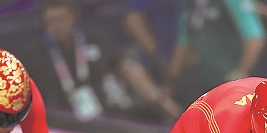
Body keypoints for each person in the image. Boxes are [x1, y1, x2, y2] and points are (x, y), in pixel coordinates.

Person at [21, 0, 181, 124]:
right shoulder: (33, 55)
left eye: (61, 19)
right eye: (51, 21)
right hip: (64, 126)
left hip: (106, 118)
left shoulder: (95, 40)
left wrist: (162, 102)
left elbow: (129, 69)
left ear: (73, 16)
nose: (57, 26)